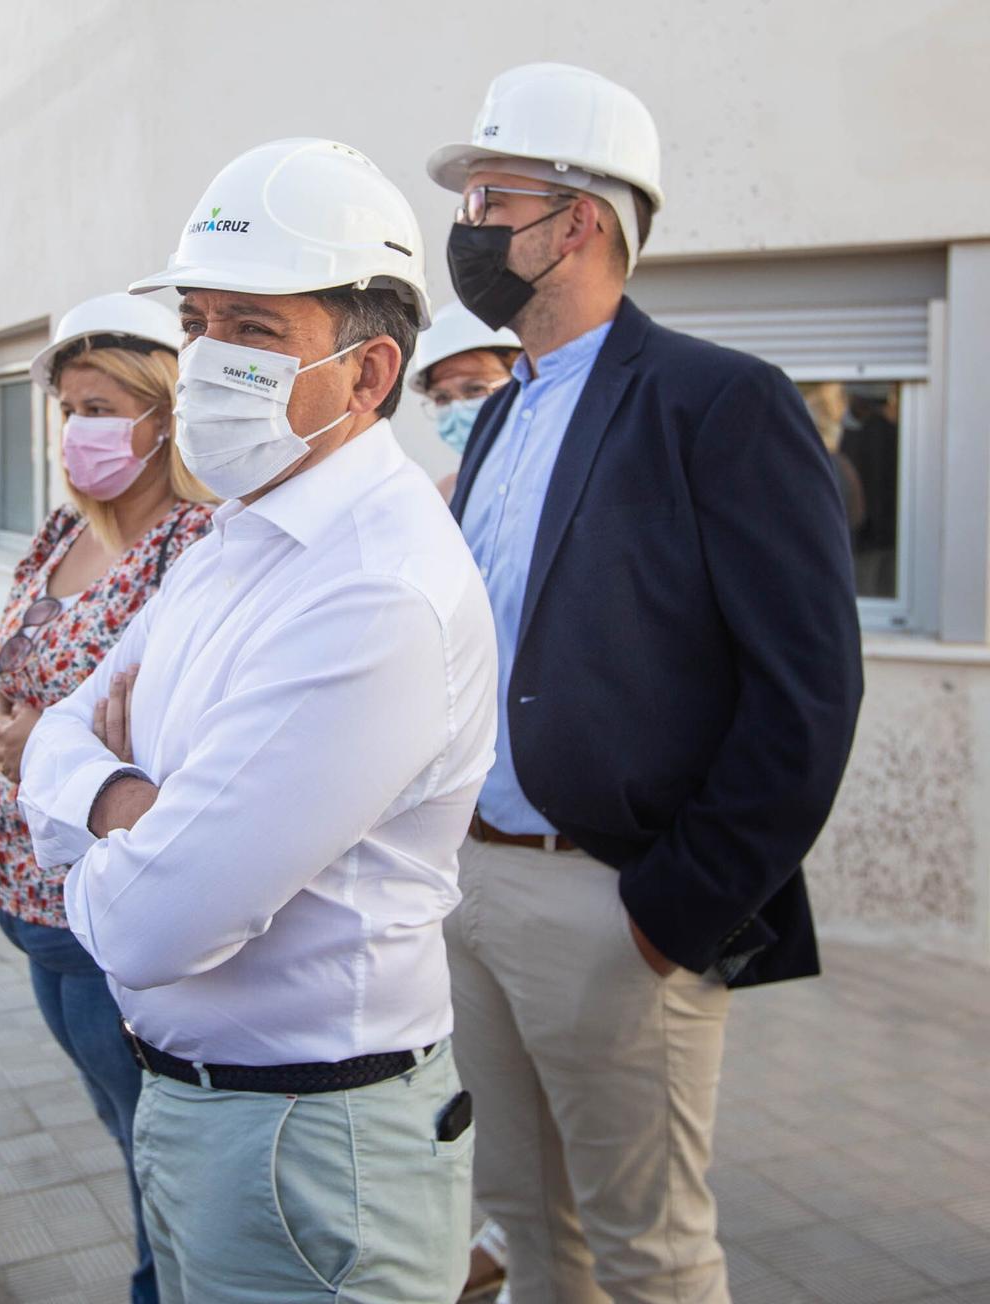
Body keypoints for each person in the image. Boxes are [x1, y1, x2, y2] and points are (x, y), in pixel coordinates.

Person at [19, 138, 498, 1304]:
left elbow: (144, 929)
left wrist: (95, 795)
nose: (203, 359)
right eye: (193, 321)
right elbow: (52, 725)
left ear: (370, 371)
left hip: (311, 1154)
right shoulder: (234, 529)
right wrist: (121, 796)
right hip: (210, 1118)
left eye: (251, 327)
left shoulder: (373, 589)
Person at [428, 63, 863, 1303]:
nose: (466, 229)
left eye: (489, 199)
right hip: (476, 882)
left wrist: (671, 912)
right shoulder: (503, 413)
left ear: (576, 221)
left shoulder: (718, 403)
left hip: (611, 908)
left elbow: (806, 694)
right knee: (523, 1223)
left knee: (648, 1250)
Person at [0, 290, 214, 1304]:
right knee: (126, 1135)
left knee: (155, 1149)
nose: (78, 430)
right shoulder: (56, 535)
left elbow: (154, 736)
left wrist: (39, 735)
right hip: (24, 896)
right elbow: (5, 667)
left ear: (163, 414)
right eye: (68, 408)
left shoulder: (192, 549)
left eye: (100, 404)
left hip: (100, 908)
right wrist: (10, 710)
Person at [412, 302, 520, 501]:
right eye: (442, 397)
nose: (458, 408)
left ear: (522, 379)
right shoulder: (445, 496)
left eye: (475, 389)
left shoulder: (556, 477)